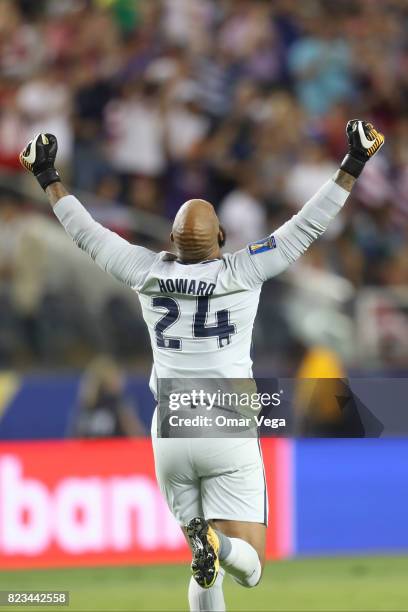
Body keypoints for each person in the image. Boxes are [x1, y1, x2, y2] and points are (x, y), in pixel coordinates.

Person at [19, 120, 384, 612]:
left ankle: (205, 546)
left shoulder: (146, 270)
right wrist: (353, 164)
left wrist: (47, 176)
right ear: (224, 238)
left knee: (199, 560)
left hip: (170, 425)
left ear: (170, 238)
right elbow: (306, 226)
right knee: (249, 565)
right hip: (226, 420)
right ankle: (218, 547)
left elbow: (88, 234)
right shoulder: (244, 269)